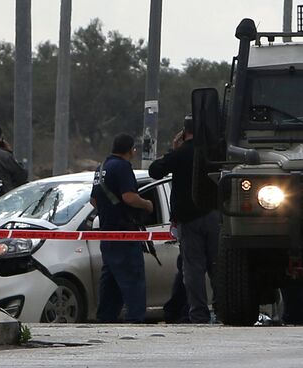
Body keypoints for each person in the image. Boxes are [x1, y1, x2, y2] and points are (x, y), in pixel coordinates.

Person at [148, 115, 219, 324]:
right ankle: (223, 309)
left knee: (193, 269)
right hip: (215, 215)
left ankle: (198, 314)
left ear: (184, 132)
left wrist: (174, 149)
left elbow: (155, 170)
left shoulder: (181, 154)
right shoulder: (214, 152)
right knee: (218, 266)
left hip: (189, 219)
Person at [90, 133, 154, 323]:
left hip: (107, 232)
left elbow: (93, 201)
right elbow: (129, 197)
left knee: (110, 279)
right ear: (130, 150)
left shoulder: (101, 168)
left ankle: (105, 317)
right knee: (132, 278)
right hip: (125, 233)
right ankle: (136, 319)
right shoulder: (122, 167)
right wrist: (147, 204)